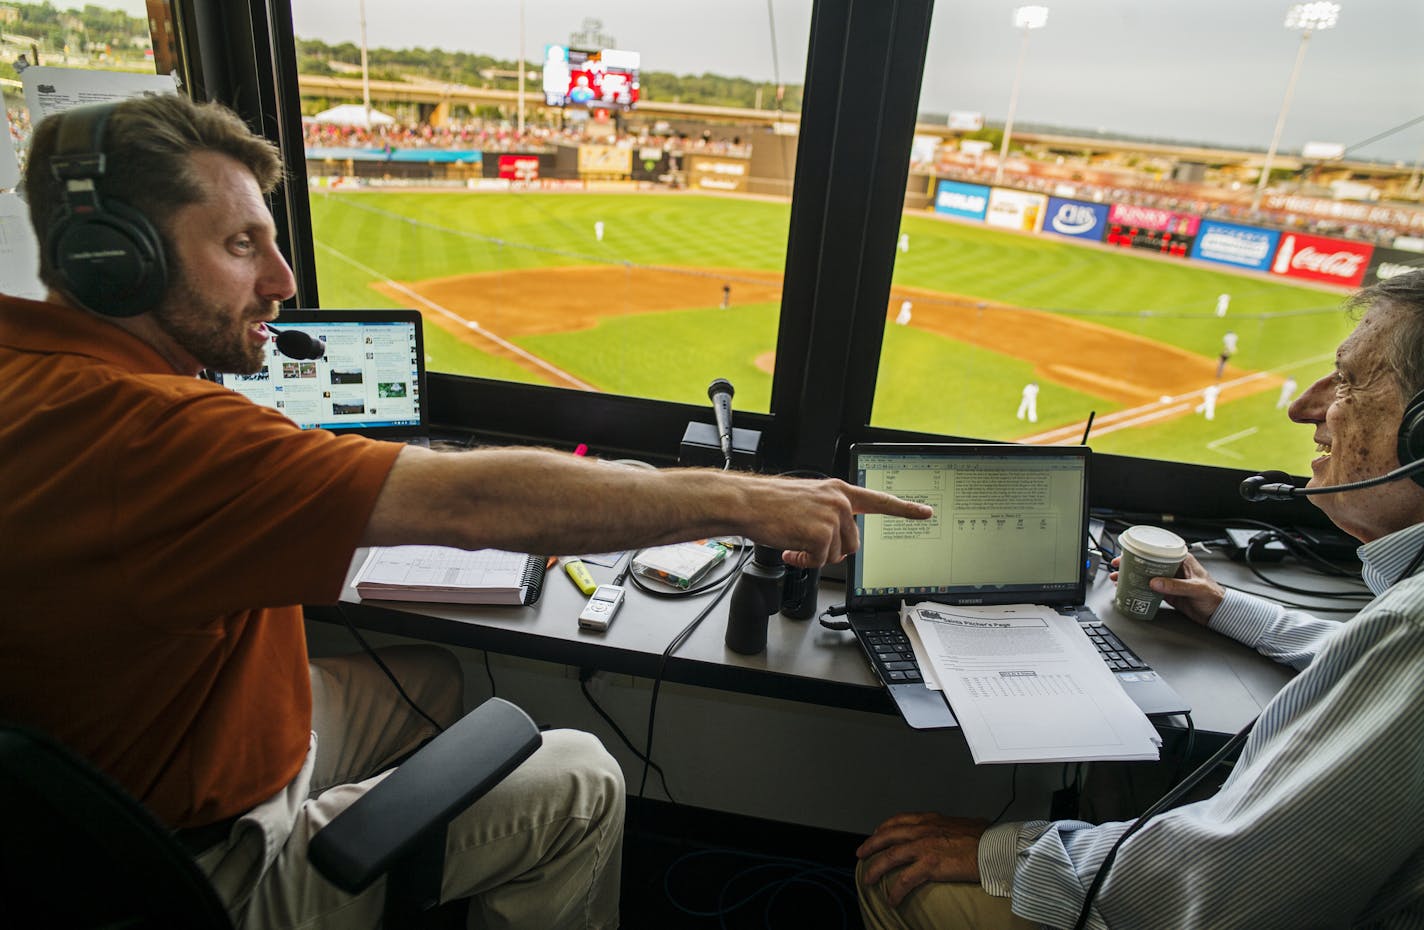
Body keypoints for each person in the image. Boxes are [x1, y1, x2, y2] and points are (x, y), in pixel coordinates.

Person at [0, 94, 932, 930]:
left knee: (434, 680)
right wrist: (755, 500)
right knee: (583, 779)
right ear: (115, 260)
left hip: (89, 804)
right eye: (242, 244)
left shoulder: (30, 376)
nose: (282, 281)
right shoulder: (159, 438)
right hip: (201, 864)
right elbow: (481, 499)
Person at [855, 269, 1424, 929]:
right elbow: (1363, 653)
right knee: (1119, 781)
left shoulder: (1413, 631)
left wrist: (1002, 847)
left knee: (896, 874)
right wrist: (1222, 604)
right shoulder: (1403, 623)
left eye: (1349, 381)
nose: (1307, 407)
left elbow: (1216, 885)